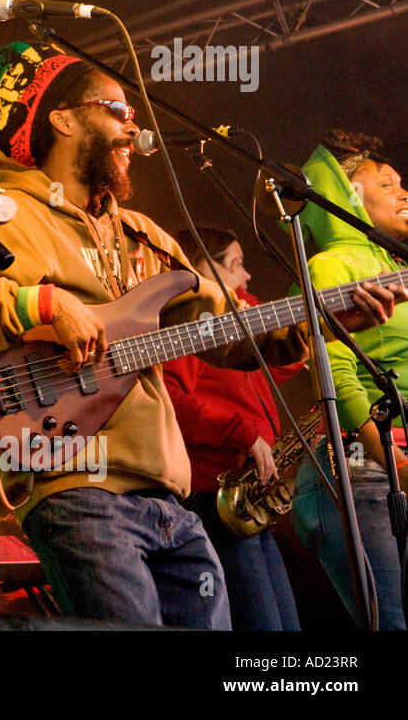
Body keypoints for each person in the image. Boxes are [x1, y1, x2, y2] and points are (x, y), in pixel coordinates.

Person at [0, 41, 400, 628]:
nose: (133, 123)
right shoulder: (16, 216)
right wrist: (41, 303)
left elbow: (233, 338)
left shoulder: (146, 237)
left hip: (166, 498)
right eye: (116, 109)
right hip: (77, 483)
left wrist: (325, 322)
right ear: (63, 120)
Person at [290, 130, 408, 630]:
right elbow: (332, 368)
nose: (404, 192)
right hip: (358, 466)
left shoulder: (396, 265)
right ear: (347, 195)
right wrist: (397, 464)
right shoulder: (333, 263)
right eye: (386, 183)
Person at [162, 226, 305, 630]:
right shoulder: (185, 320)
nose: (247, 278)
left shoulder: (232, 318)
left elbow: (269, 370)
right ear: (202, 268)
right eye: (236, 265)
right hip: (213, 497)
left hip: (248, 496)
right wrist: (243, 431)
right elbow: (170, 401)